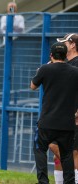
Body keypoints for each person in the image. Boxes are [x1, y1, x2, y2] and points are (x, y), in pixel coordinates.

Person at [31, 42, 78, 184]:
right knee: (66, 155)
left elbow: (32, 86)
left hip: (47, 121)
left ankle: (43, 181)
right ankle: (69, 182)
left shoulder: (45, 69)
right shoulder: (75, 71)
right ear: (65, 56)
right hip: (67, 123)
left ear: (51, 55)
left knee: (40, 150)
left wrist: (40, 72)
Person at [48, 33, 78, 184]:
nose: (62, 46)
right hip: (63, 116)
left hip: (74, 116)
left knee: (73, 154)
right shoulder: (65, 63)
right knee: (56, 151)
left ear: (73, 45)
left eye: (65, 43)